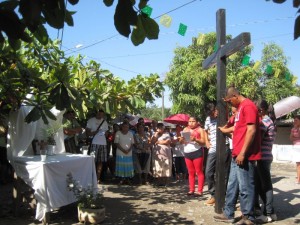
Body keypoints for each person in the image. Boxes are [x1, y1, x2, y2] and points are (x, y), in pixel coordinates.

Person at [214, 86, 261, 225]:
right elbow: (238, 127)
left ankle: (248, 217)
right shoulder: (240, 108)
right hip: (237, 153)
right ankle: (228, 213)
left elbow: (251, 130)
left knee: (246, 187)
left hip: (244, 154)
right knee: (232, 185)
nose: (229, 103)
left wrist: (242, 153)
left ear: (235, 95)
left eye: (229, 101)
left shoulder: (248, 106)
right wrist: (225, 129)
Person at [254, 100, 277, 223]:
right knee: (259, 185)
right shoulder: (269, 121)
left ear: (261, 110)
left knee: (266, 186)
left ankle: (267, 213)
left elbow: (258, 139)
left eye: (256, 110)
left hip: (263, 157)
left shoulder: (265, 122)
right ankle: (271, 211)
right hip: (265, 156)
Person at [179, 116, 206, 196]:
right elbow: (182, 142)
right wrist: (181, 139)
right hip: (187, 152)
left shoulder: (200, 130)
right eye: (189, 121)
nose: (191, 123)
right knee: (191, 172)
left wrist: (195, 139)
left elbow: (203, 142)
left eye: (193, 121)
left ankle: (200, 190)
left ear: (197, 122)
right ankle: (191, 189)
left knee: (199, 171)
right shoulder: (185, 129)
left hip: (197, 152)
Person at [86, 109, 109, 183]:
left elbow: (107, 133)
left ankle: (98, 179)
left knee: (100, 161)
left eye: (101, 114)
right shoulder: (91, 120)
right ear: (96, 113)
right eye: (99, 113)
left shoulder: (104, 122)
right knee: (92, 160)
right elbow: (87, 133)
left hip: (103, 143)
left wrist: (106, 134)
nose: (100, 115)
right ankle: (91, 177)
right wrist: (94, 132)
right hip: (94, 143)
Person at [204, 103, 218, 206]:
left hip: (224, 148)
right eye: (211, 114)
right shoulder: (208, 119)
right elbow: (205, 131)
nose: (213, 115)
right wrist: (207, 142)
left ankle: (223, 195)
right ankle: (213, 195)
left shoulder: (223, 117)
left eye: (214, 112)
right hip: (212, 149)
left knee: (223, 174)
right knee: (208, 172)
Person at [290, 114, 300, 184]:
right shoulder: (293, 129)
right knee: (298, 163)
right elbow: (291, 138)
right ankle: (298, 177)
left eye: (296, 120)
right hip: (296, 147)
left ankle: (298, 179)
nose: (295, 122)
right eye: (294, 120)